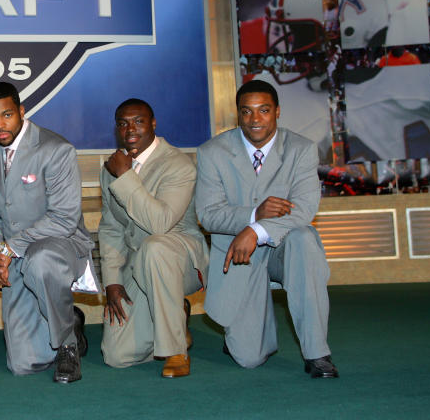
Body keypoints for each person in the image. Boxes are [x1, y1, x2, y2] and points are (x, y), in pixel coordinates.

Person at [194, 79, 338, 378]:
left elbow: (304, 209)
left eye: (263, 111)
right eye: (246, 112)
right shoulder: (212, 151)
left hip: (283, 247)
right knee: (249, 358)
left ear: (277, 112)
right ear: (238, 114)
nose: (255, 119)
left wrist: (256, 230)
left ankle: (317, 353)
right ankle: (256, 332)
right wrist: (252, 214)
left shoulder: (301, 149)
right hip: (237, 257)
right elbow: (207, 215)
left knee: (303, 239)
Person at [0, 82, 94, 383]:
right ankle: (72, 320)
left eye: (6, 115)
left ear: (21, 111)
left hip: (59, 248)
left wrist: (8, 248)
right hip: (14, 255)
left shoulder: (56, 149)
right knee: (23, 364)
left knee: (41, 260)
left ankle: (68, 345)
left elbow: (64, 219)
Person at [98, 98, 209, 377]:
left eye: (138, 121)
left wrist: (125, 176)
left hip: (180, 261)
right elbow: (111, 227)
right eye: (123, 123)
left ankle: (175, 350)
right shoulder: (110, 168)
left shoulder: (179, 165)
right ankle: (174, 315)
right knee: (117, 356)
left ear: (153, 124)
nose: (130, 129)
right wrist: (112, 280)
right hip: (139, 266)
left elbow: (160, 224)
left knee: (155, 246)